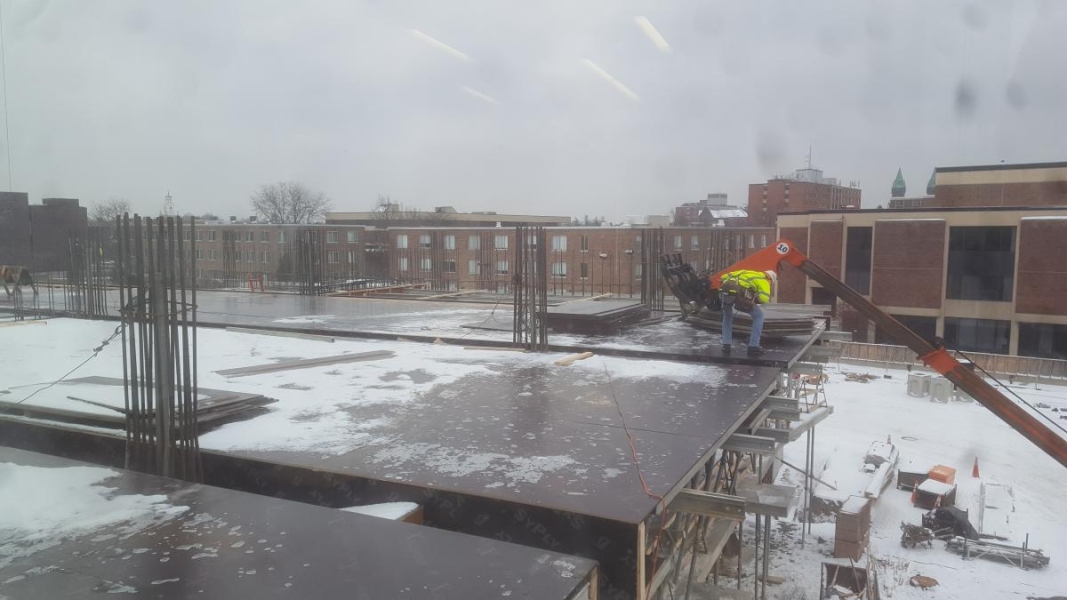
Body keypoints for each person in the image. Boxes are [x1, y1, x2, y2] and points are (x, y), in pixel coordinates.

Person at [720, 269, 777, 356]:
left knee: (727, 317)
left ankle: (726, 345)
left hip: (725, 292)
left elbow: (722, 277)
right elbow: (764, 299)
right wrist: (754, 300)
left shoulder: (746, 272)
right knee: (759, 316)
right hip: (739, 295)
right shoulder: (763, 280)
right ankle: (753, 347)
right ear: (770, 279)